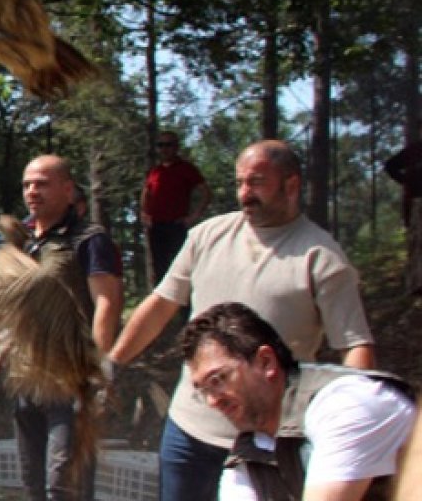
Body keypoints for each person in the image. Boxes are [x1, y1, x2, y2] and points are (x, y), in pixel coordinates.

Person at [108, 140, 376, 501]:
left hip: (267, 444)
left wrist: (352, 423)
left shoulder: (322, 258)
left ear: (291, 185)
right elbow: (160, 305)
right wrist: (112, 363)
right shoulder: (207, 236)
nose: (244, 194)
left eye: (257, 182)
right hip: (188, 432)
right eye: (239, 183)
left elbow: (355, 345)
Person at [0, 155, 123, 501]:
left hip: (71, 379)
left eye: (42, 183)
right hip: (26, 378)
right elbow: (7, 309)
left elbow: (107, 304)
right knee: (33, 486)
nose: (32, 191)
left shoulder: (89, 239)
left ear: (68, 190)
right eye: (26, 184)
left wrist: (100, 368)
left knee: (64, 486)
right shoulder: (21, 241)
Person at [180, 302, 415, 501]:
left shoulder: (347, 403)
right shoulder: (250, 453)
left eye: (218, 379)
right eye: (203, 390)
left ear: (266, 362)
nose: (212, 401)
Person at [140, 131, 210, 283]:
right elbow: (146, 191)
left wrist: (194, 216)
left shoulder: (186, 169)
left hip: (176, 225)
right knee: (160, 268)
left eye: (168, 145)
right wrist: (144, 214)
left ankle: (185, 306)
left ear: (176, 147)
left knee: (181, 267)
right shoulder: (156, 171)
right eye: (161, 145)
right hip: (156, 227)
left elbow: (205, 192)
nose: (164, 149)